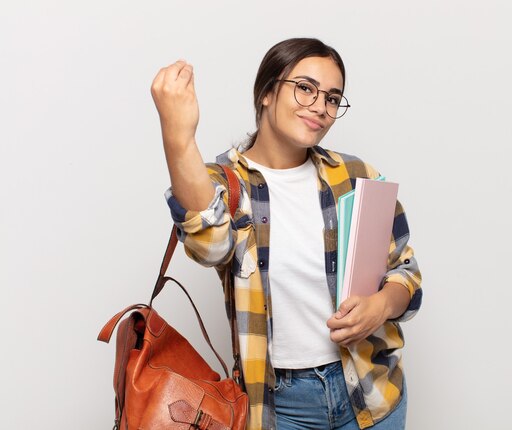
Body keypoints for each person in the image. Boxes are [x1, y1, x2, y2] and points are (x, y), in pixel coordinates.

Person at [151, 37, 422, 430]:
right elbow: (208, 246)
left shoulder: (355, 176)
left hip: (371, 393)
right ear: (266, 92)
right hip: (281, 407)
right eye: (306, 88)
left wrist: (381, 305)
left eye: (332, 98)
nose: (320, 107)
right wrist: (179, 136)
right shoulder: (225, 184)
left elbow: (406, 270)